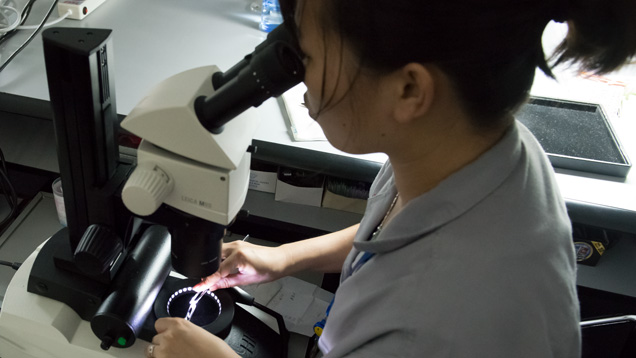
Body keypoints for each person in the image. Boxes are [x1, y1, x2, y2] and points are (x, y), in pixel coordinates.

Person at [145, 0, 636, 357]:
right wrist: (284, 258)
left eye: (309, 56)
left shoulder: (433, 331)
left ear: (408, 89)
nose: (301, 80)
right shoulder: (476, 147)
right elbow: (390, 233)